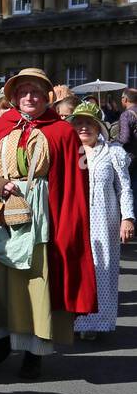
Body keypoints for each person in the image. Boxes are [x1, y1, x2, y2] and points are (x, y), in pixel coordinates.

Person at [0, 68, 96, 379]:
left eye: (36, 92)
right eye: (23, 91)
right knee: (1, 279)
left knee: (35, 281)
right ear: (14, 97)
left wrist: (67, 224)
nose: (30, 97)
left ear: (46, 97)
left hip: (43, 215)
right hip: (1, 213)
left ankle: (34, 352)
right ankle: (1, 338)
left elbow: (73, 184)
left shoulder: (62, 132)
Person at [68, 102, 134, 340]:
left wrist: (128, 218)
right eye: (79, 123)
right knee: (76, 268)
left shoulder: (113, 152)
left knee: (103, 269)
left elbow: (124, 188)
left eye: (89, 123)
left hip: (104, 220)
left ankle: (97, 322)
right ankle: (73, 320)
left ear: (98, 128)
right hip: (74, 219)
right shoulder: (68, 152)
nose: (84, 128)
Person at [117, 88, 137, 188]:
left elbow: (124, 139)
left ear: (125, 99)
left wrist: (113, 142)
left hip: (131, 158)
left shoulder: (126, 114)